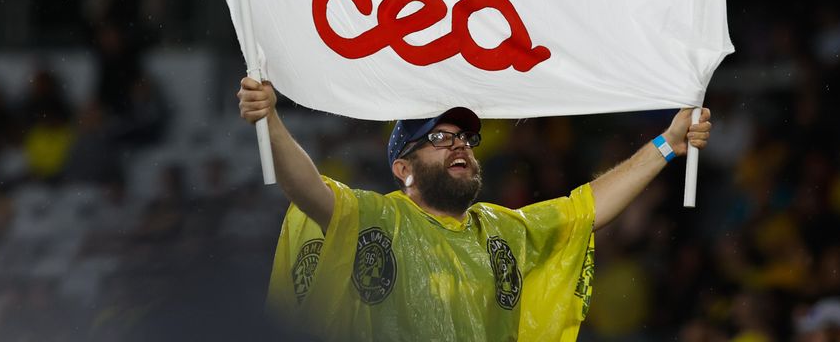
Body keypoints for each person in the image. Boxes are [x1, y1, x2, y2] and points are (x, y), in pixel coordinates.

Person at [237, 76, 712, 341]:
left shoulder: (503, 230)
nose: (459, 145)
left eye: (465, 137)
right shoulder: (376, 218)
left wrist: (667, 144)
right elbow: (308, 189)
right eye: (440, 138)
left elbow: (584, 208)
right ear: (403, 167)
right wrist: (270, 118)